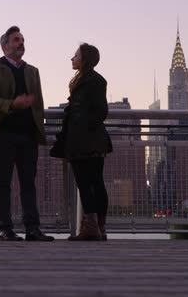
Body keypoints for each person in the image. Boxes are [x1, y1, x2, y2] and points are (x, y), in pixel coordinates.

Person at [0, 26, 54, 242]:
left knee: (29, 183)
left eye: (22, 40)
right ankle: (6, 229)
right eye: (16, 40)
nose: (21, 43)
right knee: (3, 183)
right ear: (5, 46)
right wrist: (13, 104)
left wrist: (38, 127)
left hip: (28, 135)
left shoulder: (33, 71)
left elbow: (38, 103)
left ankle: (33, 229)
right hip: (3, 134)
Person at [62, 43, 112, 241]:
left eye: (75, 56)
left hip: (84, 140)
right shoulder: (88, 80)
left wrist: (80, 125)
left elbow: (100, 111)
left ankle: (92, 228)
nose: (72, 59)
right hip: (91, 140)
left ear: (84, 59)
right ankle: (98, 227)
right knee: (95, 182)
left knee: (87, 183)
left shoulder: (93, 81)